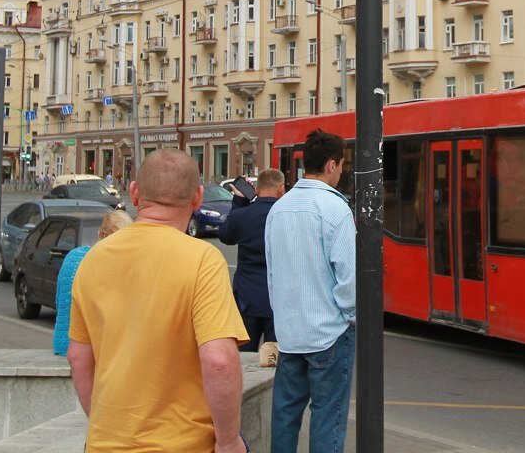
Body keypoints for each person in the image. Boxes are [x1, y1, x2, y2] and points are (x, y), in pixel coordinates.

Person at [66, 149, 249, 452]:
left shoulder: (93, 259)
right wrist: (228, 441)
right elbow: (219, 362)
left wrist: (106, 426)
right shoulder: (202, 259)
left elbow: (78, 358)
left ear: (135, 193)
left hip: (105, 443)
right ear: (197, 198)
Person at [265, 129, 355, 453]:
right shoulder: (336, 210)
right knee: (327, 416)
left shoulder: (279, 209)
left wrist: (283, 318)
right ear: (331, 165)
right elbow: (349, 278)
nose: (341, 171)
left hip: (290, 333)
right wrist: (349, 317)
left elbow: (272, 272)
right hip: (329, 333)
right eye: (342, 165)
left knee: (285, 415)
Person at [218, 168, 285, 354]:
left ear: (256, 189)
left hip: (247, 298)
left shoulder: (241, 215)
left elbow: (226, 236)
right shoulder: (286, 215)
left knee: (245, 356)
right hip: (278, 299)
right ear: (281, 189)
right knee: (275, 358)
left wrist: (239, 201)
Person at [53, 210, 132, 356]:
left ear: (100, 233)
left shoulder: (73, 255)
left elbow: (59, 302)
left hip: (62, 342)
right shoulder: (111, 263)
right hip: (90, 350)